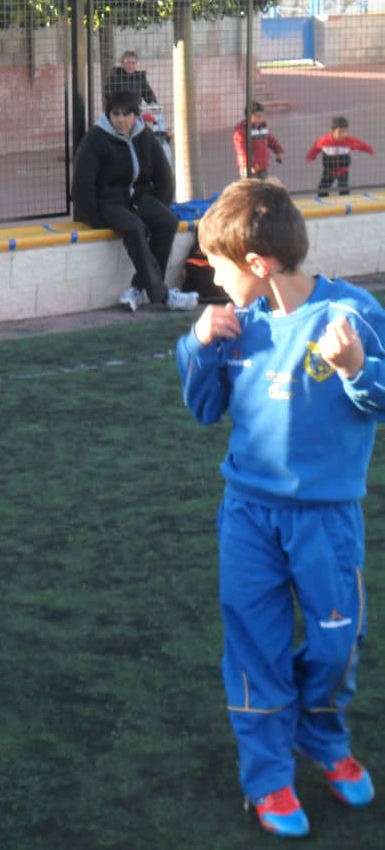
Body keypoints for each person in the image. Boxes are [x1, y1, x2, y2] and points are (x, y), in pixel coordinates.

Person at [176, 179, 381, 839]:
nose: (210, 277)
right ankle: (267, 777)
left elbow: (377, 397)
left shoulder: (351, 313)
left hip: (325, 521)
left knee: (336, 642)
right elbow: (205, 409)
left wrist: (353, 368)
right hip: (248, 519)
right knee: (255, 647)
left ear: (258, 263)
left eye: (219, 266)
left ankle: (321, 735)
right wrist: (198, 346)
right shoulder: (238, 324)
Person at [71, 89, 196, 313]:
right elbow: (82, 184)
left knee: (167, 222)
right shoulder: (95, 139)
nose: (120, 120)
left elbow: (163, 174)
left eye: (125, 114)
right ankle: (164, 296)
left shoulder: (144, 135)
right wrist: (96, 218)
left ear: (135, 115)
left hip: (139, 198)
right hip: (108, 203)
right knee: (134, 227)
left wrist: (159, 204)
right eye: (115, 114)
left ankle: (137, 288)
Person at [306, 115, 375, 198]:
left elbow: (361, 145)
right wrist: (310, 157)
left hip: (343, 170)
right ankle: (324, 204)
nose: (343, 134)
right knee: (322, 189)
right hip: (328, 171)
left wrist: (370, 150)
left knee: (343, 188)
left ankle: (345, 204)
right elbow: (315, 148)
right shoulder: (324, 141)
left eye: (345, 131)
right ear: (332, 131)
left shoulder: (349, 141)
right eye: (340, 132)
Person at [233, 102, 284, 180]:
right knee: (251, 189)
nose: (260, 118)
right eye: (257, 116)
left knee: (262, 188)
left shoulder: (262, 127)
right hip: (249, 167)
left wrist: (278, 150)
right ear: (249, 116)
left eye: (262, 116)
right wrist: (251, 164)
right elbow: (242, 151)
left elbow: (271, 140)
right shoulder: (241, 131)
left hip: (262, 165)